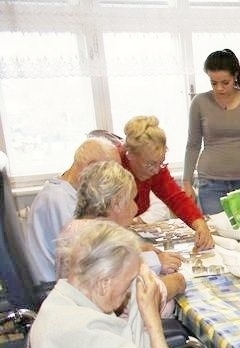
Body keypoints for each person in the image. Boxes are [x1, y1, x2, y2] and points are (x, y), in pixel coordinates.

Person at [29, 219, 184, 348]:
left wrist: (140, 309)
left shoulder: (60, 301)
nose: (130, 289)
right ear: (104, 283)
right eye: (130, 280)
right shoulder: (90, 335)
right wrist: (152, 319)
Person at [66, 161, 185, 309]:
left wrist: (140, 252)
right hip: (127, 329)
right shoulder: (107, 239)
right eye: (132, 200)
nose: (136, 208)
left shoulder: (76, 228)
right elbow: (140, 299)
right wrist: (178, 282)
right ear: (116, 204)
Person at [183, 49, 240, 217]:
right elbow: (193, 145)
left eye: (225, 82)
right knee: (217, 235)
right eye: (213, 83)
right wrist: (187, 181)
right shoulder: (199, 102)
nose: (219, 88)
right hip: (211, 183)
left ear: (235, 76)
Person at [24, 136, 120, 284]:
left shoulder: (66, 192)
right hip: (53, 289)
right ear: (90, 167)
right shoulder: (59, 200)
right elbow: (95, 257)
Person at [120, 115, 214, 250]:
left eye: (161, 163)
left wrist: (200, 225)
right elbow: (104, 224)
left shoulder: (155, 167)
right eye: (150, 164)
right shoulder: (113, 166)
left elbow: (176, 198)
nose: (156, 170)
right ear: (130, 155)